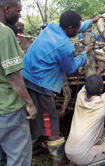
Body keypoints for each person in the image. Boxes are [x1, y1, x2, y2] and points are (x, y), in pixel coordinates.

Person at [22, 10, 102, 165]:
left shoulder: (51, 28)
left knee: (32, 114)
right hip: (40, 83)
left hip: (26, 75)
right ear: (71, 28)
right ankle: (58, 158)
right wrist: (84, 53)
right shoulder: (65, 46)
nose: (79, 29)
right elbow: (70, 68)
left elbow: (76, 26)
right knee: (50, 118)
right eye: (78, 27)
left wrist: (91, 20)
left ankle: (34, 146)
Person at [0, 0, 37, 166]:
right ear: (6, 9)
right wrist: (29, 103)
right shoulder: (5, 33)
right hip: (9, 108)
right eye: (18, 10)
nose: (20, 14)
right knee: (19, 158)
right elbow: (14, 75)